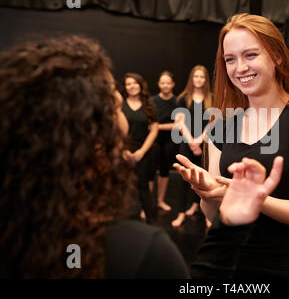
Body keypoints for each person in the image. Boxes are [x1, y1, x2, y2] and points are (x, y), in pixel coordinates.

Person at [0, 35, 188, 278]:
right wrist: (226, 231)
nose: (120, 96)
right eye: (112, 98)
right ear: (101, 139)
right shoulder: (142, 255)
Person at [172, 13, 289, 278]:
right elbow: (213, 216)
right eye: (230, 59)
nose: (240, 68)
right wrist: (206, 192)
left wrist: (257, 200)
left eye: (250, 55)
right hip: (225, 266)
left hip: (278, 267)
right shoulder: (220, 127)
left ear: (277, 56)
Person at [171, 65, 213, 227]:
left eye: (201, 77)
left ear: (205, 80)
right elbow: (180, 122)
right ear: (191, 79)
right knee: (184, 179)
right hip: (186, 143)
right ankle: (180, 213)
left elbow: (212, 123)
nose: (199, 80)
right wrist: (191, 141)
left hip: (205, 143)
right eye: (196, 77)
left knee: (203, 178)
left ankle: (203, 211)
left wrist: (200, 140)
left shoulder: (211, 98)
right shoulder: (183, 98)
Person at [121, 72, 159, 222]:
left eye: (134, 83)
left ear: (140, 85)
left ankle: (151, 222)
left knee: (143, 186)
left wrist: (141, 152)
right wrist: (123, 150)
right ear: (125, 87)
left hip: (143, 150)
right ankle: (121, 221)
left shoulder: (149, 103)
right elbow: (115, 129)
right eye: (128, 84)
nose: (132, 86)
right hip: (123, 150)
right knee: (122, 186)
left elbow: (154, 129)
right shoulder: (120, 105)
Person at [152, 71, 181, 212]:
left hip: (170, 141)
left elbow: (177, 124)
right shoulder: (152, 101)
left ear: (173, 85)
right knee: (150, 171)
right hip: (153, 140)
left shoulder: (178, 101)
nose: (165, 85)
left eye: (168, 83)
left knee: (164, 171)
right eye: (162, 82)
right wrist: (156, 127)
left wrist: (158, 126)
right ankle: (147, 203)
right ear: (158, 84)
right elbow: (149, 123)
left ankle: (160, 201)